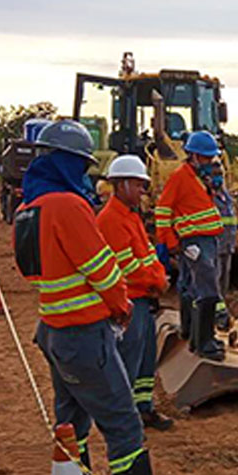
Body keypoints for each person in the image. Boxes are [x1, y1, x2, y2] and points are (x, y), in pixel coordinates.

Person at [14, 120, 203, 475]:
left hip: (54, 331)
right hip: (85, 336)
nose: (84, 174)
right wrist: (120, 309)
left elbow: (31, 270)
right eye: (81, 164)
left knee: (73, 429)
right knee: (124, 428)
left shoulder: (31, 207)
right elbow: (103, 271)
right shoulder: (68, 206)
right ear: (69, 163)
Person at [96, 155, 174, 432]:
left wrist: (159, 275)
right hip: (131, 300)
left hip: (144, 296)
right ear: (122, 184)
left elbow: (148, 253)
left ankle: (144, 408)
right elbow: (126, 267)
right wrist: (157, 280)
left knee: (144, 359)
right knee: (128, 360)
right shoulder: (111, 220)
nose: (144, 191)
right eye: (139, 185)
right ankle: (126, 417)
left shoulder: (130, 216)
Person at [155, 130, 226, 361]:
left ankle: (188, 330)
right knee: (207, 288)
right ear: (193, 156)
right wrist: (170, 241)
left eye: (211, 157)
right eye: (205, 157)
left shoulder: (200, 178)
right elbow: (163, 210)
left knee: (188, 285)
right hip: (194, 241)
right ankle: (203, 342)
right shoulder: (179, 177)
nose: (210, 161)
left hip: (207, 238)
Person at [208, 160, 238, 330]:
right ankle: (218, 315)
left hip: (227, 245)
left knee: (223, 283)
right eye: (215, 175)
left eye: (220, 174)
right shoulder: (206, 196)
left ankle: (220, 311)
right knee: (213, 283)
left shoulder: (225, 196)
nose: (218, 178)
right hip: (214, 245)